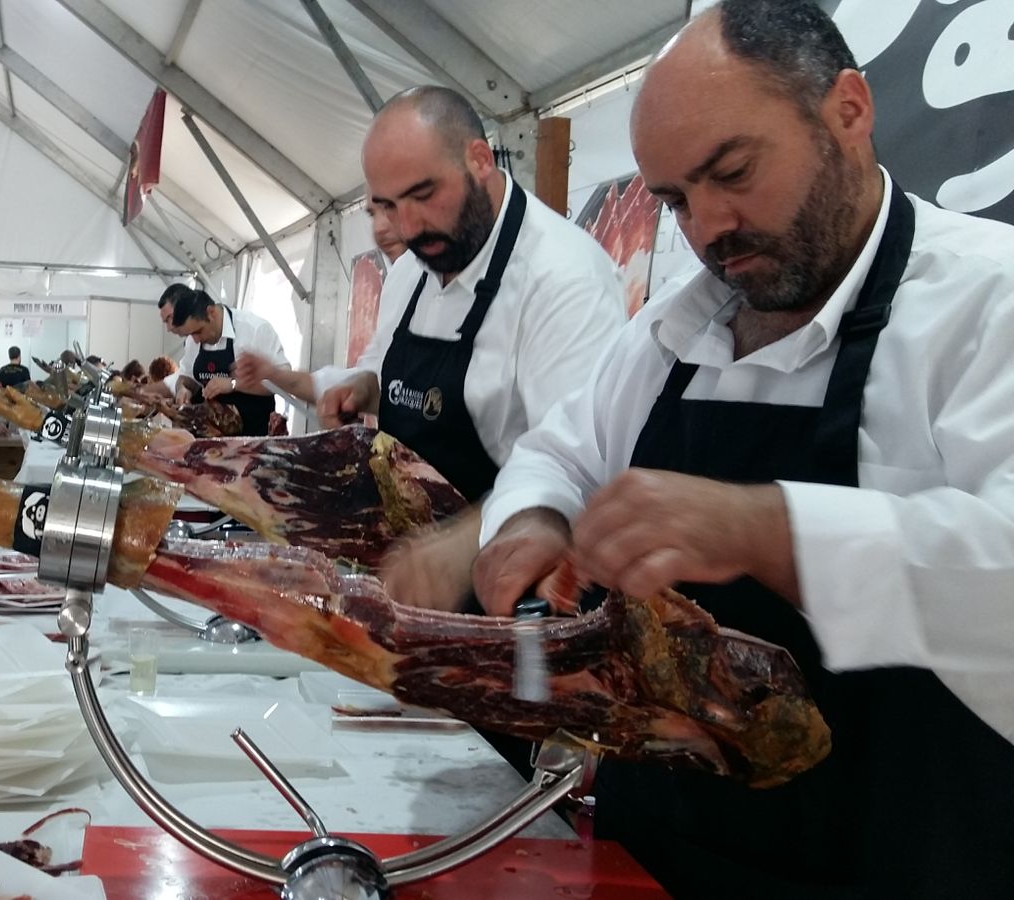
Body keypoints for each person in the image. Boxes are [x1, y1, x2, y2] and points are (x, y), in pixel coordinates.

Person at [468, 3, 1014, 896]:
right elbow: (558, 451)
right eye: (678, 200)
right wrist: (531, 521)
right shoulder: (675, 333)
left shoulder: (990, 301)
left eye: (734, 172)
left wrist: (764, 527)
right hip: (650, 865)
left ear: (848, 108)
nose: (708, 227)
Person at [233, 84, 624, 609]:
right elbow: (383, 371)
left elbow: (578, 466)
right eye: (388, 206)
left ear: (479, 159)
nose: (408, 227)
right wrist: (363, 386)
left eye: (423, 195)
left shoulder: (563, 278)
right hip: (407, 574)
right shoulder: (412, 272)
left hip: (511, 594)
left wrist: (463, 542)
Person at [169, 289, 289, 437]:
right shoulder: (193, 340)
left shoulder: (255, 330)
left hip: (250, 436)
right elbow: (187, 376)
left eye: (198, 332)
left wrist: (233, 384)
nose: (195, 340)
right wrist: (183, 388)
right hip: (208, 438)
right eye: (190, 334)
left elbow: (284, 382)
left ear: (211, 312)